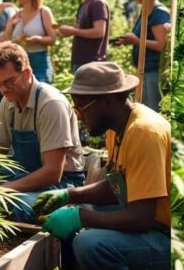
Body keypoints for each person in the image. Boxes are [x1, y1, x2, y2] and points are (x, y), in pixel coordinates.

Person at [34, 61, 170, 270]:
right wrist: (69, 195)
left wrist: (80, 218)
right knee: (88, 207)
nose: (78, 117)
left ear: (107, 100)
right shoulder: (115, 127)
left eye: (82, 109)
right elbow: (117, 185)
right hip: (150, 221)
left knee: (90, 244)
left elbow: (140, 218)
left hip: (166, 236)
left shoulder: (144, 132)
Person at [0, 42, 85, 223]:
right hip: (25, 175)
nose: (3, 89)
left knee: (10, 204)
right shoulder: (8, 101)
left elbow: (52, 172)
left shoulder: (50, 104)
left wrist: (3, 190)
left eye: (9, 82)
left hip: (62, 185)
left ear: (27, 74)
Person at [116, 0, 170, 111]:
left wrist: (136, 41)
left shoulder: (159, 12)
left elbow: (161, 45)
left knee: (153, 111)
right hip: (145, 71)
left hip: (154, 72)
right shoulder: (146, 11)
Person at [0, 0, 57, 83]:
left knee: (41, 95)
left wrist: (39, 39)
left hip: (40, 61)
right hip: (19, 63)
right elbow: (5, 43)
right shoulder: (16, 15)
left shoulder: (43, 12)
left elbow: (53, 39)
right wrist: (13, 33)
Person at [56, 0, 110, 73]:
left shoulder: (97, 3)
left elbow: (99, 32)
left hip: (92, 64)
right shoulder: (84, 4)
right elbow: (79, 30)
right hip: (80, 63)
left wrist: (73, 31)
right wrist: (66, 31)